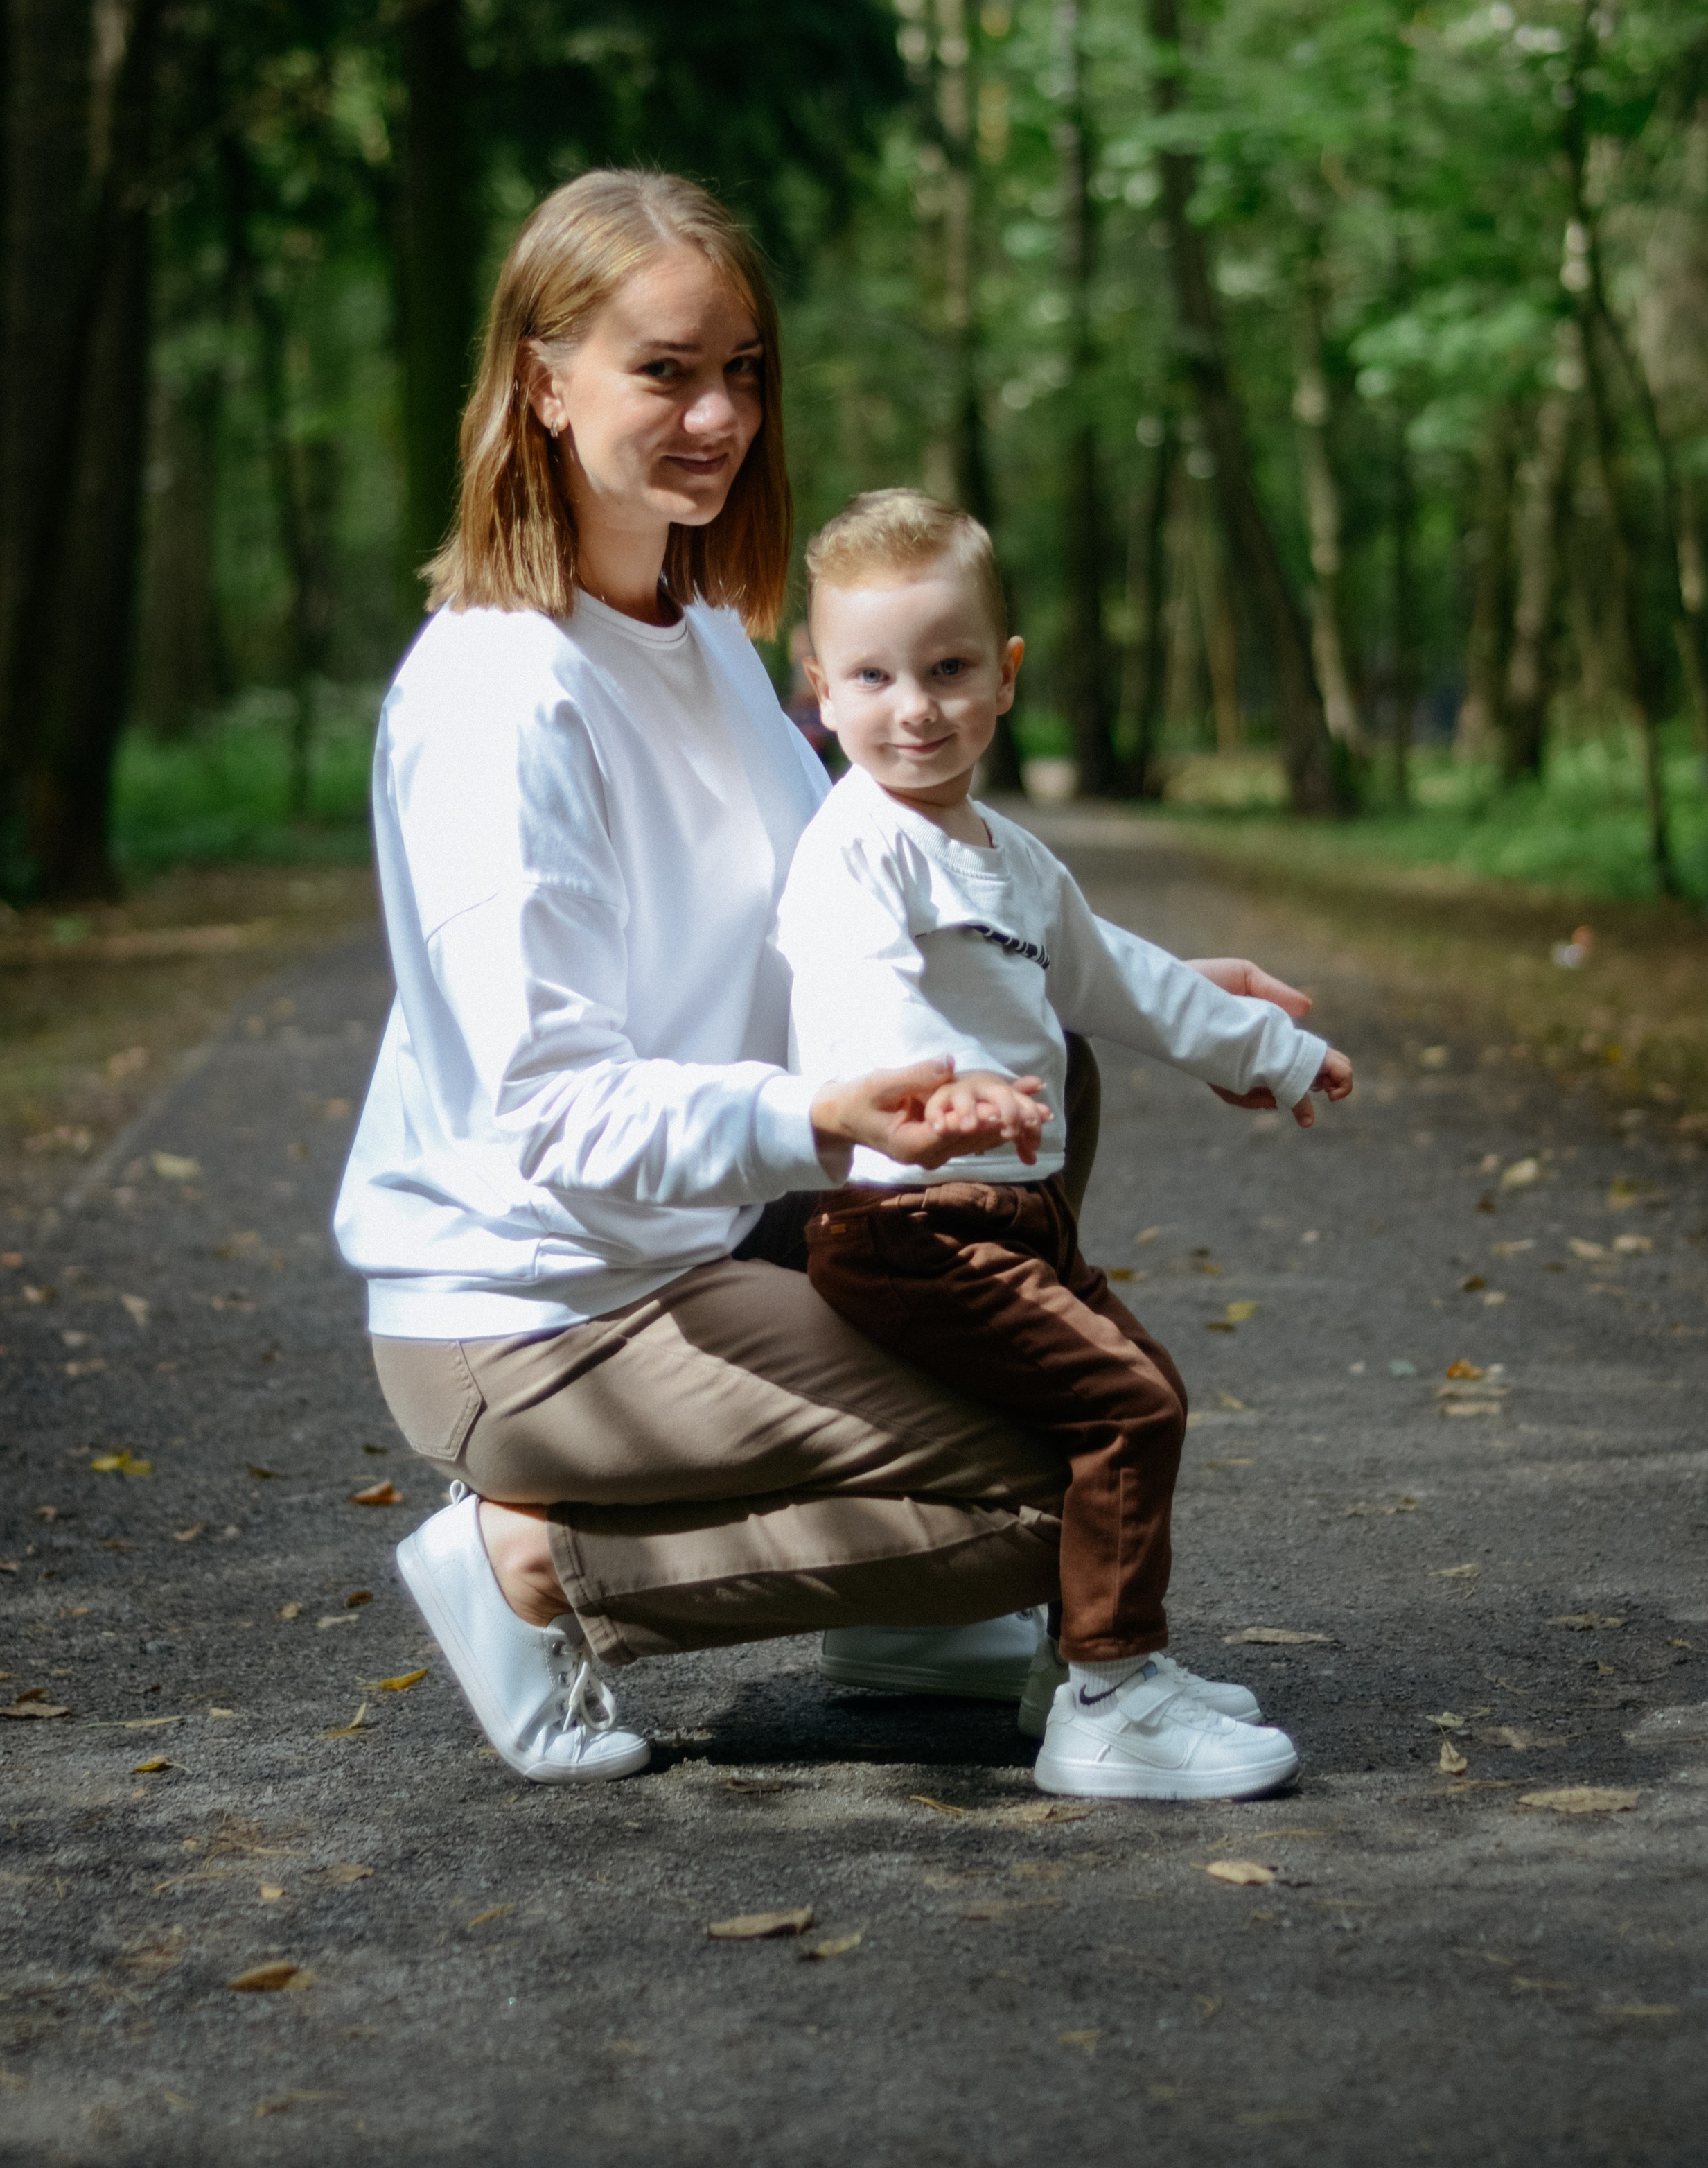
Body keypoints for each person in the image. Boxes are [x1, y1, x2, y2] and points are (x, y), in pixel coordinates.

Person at [334, 167, 1318, 1792]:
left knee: (1042, 1080)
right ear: (542, 376)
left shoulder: (705, 627)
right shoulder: (499, 701)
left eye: (744, 368)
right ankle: (528, 1567)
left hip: (702, 1226)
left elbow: (878, 928)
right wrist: (810, 1112)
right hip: (537, 1302)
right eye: (664, 369)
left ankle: (907, 1629)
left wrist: (1143, 989)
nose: (718, 412)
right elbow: (541, 1110)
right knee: (1048, 1473)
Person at [775, 489, 1355, 1801]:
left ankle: (1094, 1656)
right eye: (871, 676)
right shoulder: (854, 850)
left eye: (948, 669)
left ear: (1006, 677)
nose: (912, 707)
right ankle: (1108, 1696)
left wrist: (1269, 1051)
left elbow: (1123, 980)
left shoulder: (1012, 859)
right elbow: (861, 993)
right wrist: (947, 1088)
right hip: (909, 1223)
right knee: (1127, 1401)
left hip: (1011, 1215)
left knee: (1131, 1388)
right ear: (817, 685)